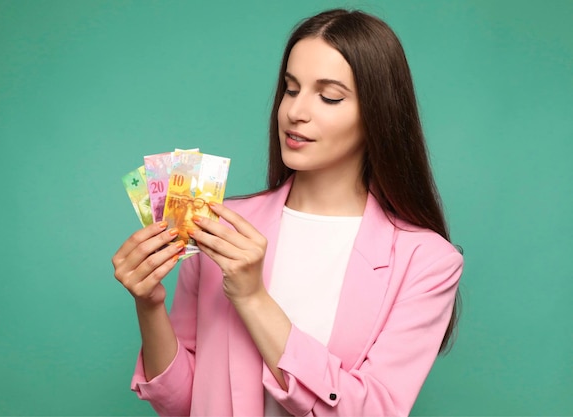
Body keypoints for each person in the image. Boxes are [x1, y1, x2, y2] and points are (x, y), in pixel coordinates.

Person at [112, 8, 463, 416]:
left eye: (329, 96)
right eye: (291, 89)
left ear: (376, 115)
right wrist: (150, 304)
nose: (296, 111)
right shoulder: (220, 228)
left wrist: (253, 297)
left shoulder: (427, 262)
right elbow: (183, 402)